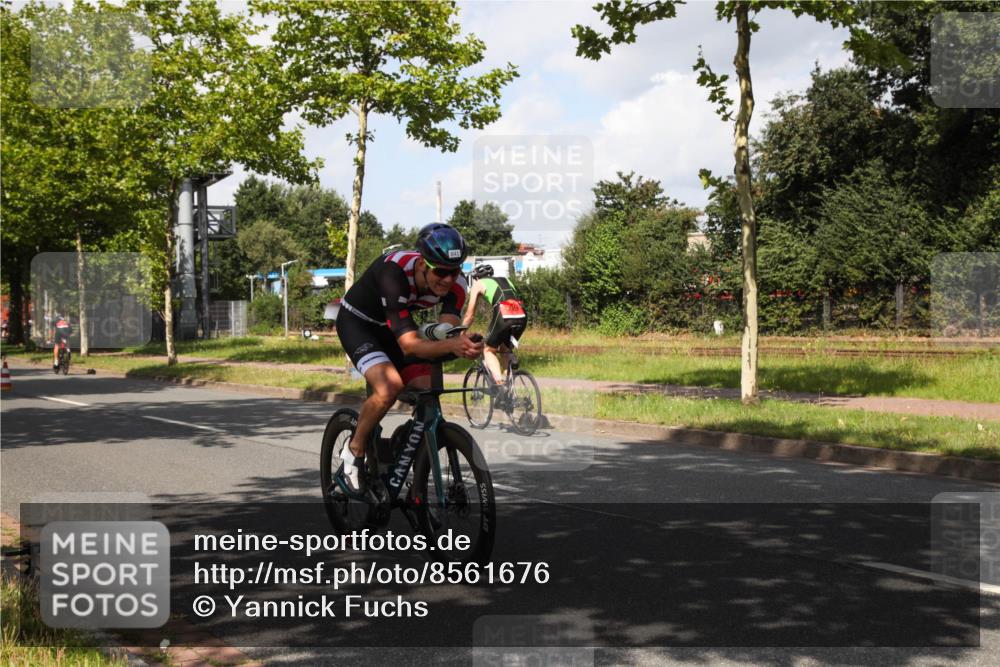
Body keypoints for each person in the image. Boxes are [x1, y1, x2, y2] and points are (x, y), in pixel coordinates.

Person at [335, 223, 483, 493]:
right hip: (359, 324)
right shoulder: (394, 274)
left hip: (394, 328)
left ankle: (403, 444)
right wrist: (451, 343)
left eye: (454, 271)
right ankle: (353, 450)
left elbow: (444, 333)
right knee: (388, 387)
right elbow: (410, 346)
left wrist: (465, 345)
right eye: (440, 271)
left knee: (428, 384)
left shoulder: (457, 284)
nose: (448, 280)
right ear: (423, 264)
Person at [460, 264, 527, 396]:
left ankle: (500, 386)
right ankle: (510, 390)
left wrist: (461, 334)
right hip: (522, 314)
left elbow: (469, 315)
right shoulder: (506, 280)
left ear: (476, 278)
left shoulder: (478, 284)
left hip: (504, 314)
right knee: (505, 349)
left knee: (488, 349)